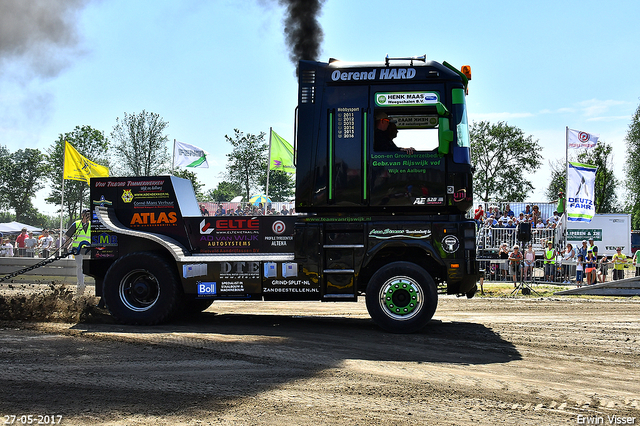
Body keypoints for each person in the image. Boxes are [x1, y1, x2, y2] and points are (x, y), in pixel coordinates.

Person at [64, 209, 92, 296]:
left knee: (85, 267)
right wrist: (66, 247)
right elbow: (68, 235)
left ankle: (81, 283)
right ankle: (80, 285)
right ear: (83, 215)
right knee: (80, 266)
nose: (88, 216)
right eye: (87, 214)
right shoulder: (76, 224)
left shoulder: (92, 224)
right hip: (78, 249)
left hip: (88, 249)